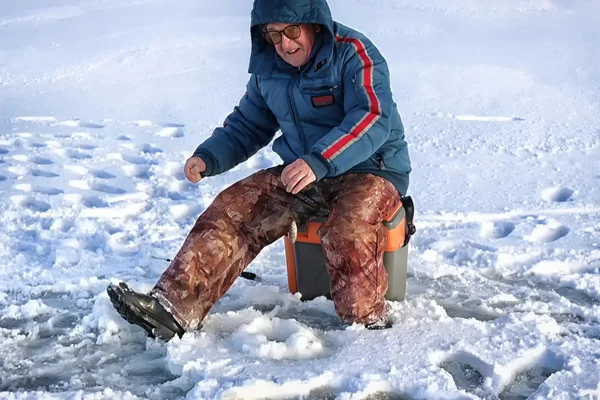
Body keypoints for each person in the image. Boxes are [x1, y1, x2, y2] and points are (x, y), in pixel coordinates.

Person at [107, 0, 411, 340]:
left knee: (349, 225)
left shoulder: (354, 53)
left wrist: (319, 161)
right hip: (304, 171)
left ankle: (367, 326)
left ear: (315, 24)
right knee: (234, 208)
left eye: (292, 31)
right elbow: (248, 124)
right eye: (273, 35)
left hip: (371, 170)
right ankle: (173, 309)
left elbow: (372, 117)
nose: (284, 44)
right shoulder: (270, 70)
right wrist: (209, 156)